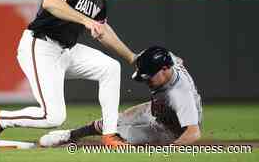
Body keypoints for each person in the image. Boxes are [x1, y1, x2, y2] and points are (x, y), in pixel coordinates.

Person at [0, 0, 136, 149]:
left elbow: (103, 31)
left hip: (66, 51)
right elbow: (50, 2)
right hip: (41, 45)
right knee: (52, 117)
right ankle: (0, 119)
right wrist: (85, 20)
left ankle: (110, 135)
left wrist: (132, 57)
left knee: (110, 68)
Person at [39, 46, 203, 146]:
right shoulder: (168, 60)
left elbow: (194, 133)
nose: (147, 81)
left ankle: (69, 136)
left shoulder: (180, 94)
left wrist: (169, 150)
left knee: (122, 134)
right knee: (114, 121)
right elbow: (177, 59)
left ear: (165, 68)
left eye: (149, 76)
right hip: (160, 106)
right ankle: (70, 135)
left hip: (171, 129)